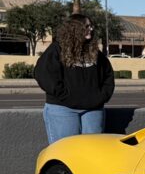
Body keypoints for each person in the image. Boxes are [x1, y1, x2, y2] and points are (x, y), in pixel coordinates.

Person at [33, 13, 115, 143]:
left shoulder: (94, 52)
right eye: (87, 26)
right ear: (75, 29)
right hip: (63, 110)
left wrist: (100, 97)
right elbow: (43, 74)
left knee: (93, 151)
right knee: (65, 152)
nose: (91, 29)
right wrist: (64, 95)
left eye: (91, 26)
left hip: (93, 110)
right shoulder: (57, 49)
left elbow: (108, 76)